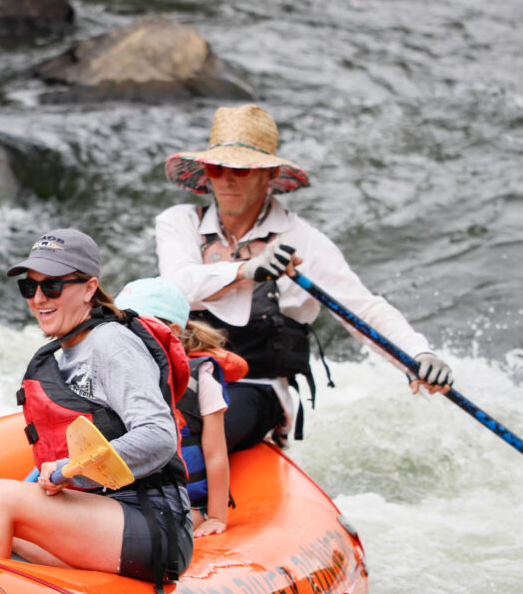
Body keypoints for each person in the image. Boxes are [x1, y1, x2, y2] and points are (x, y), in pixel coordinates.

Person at [155, 104, 454, 451]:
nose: (226, 178)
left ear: (268, 176)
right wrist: (248, 270)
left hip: (257, 389)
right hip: (182, 377)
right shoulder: (179, 221)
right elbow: (177, 286)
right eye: (217, 167)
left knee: (190, 435)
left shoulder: (306, 242)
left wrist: (419, 356)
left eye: (241, 169)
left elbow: (364, 310)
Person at [0, 229, 193, 587]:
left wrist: (69, 471)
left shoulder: (112, 344)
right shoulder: (68, 349)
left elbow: (159, 435)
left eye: (53, 287)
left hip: (150, 520)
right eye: (30, 288)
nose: (39, 298)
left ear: (89, 288)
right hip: (93, 516)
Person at [116, 277, 246, 537]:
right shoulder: (117, 373)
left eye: (135, 325)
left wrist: (217, 516)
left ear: (172, 331)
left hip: (186, 505)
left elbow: (215, 454)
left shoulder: (201, 380)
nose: (124, 334)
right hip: (129, 498)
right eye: (118, 324)